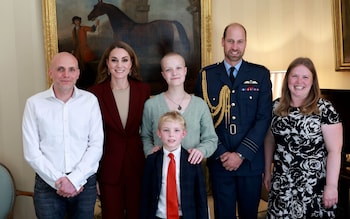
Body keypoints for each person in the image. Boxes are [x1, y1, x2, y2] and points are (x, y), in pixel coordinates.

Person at [194, 22, 272, 219]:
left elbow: (263, 119)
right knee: (223, 215)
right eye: (230, 41)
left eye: (239, 41)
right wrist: (222, 153)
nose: (235, 46)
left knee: (249, 215)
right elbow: (202, 119)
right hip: (220, 162)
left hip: (250, 162)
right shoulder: (206, 76)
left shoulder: (260, 74)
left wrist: (241, 154)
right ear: (222, 42)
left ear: (245, 43)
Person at [22, 52, 104, 219]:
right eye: (60, 69)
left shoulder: (90, 101)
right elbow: (31, 152)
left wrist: (75, 180)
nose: (66, 75)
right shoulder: (34, 104)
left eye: (71, 69)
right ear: (50, 72)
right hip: (47, 185)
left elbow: (96, 145)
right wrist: (59, 181)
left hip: (84, 184)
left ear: (78, 73)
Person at [263, 57, 343, 218]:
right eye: (294, 76)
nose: (299, 81)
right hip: (282, 185)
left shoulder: (325, 109)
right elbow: (269, 140)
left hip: (314, 187)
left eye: (305, 77)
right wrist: (267, 171)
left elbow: (335, 151)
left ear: (313, 81)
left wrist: (332, 186)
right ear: (287, 80)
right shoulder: (275, 106)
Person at [88, 41, 151, 219]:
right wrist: (95, 177)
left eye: (124, 60)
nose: (119, 65)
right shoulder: (94, 94)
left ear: (131, 64)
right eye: (114, 60)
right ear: (107, 64)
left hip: (137, 166)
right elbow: (90, 138)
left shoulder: (143, 90)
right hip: (108, 168)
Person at [141, 52, 217, 164]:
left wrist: (201, 150)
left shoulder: (200, 105)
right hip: (160, 168)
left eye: (178, 68)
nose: (174, 73)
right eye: (168, 70)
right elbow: (145, 136)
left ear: (185, 71)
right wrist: (149, 151)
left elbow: (211, 139)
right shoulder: (151, 105)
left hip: (192, 169)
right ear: (163, 75)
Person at [140, 111, 209, 219]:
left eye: (176, 130)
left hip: (185, 216)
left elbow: (201, 197)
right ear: (159, 133)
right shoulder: (152, 160)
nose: (171, 134)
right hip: (159, 216)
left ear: (183, 133)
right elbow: (145, 196)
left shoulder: (193, 161)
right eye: (166, 130)